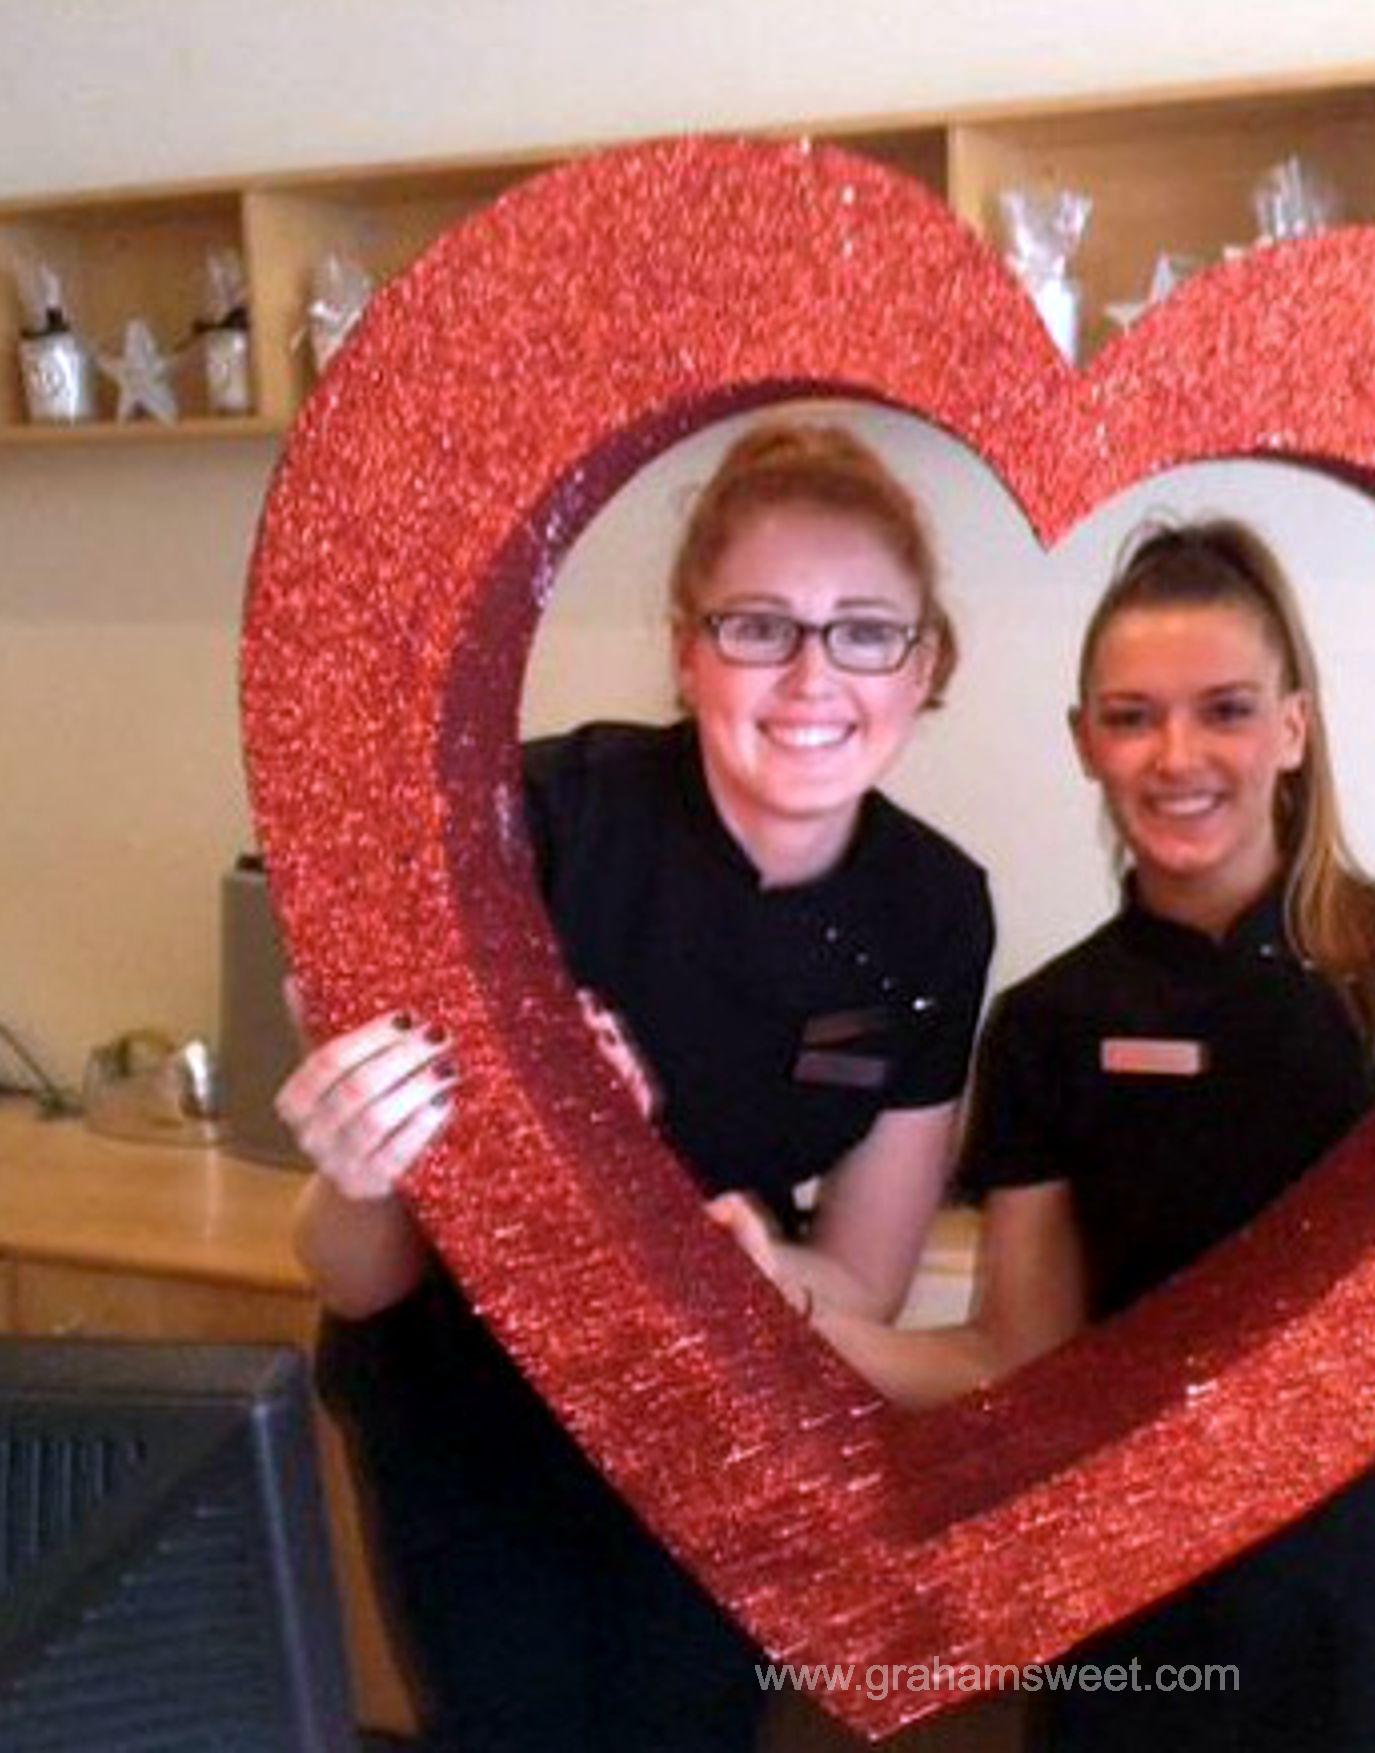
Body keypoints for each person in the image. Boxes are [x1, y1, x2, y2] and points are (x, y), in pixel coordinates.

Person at [279, 422, 994, 1751]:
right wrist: (374, 1152)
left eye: (864, 631)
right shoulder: (545, 817)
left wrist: (749, 1272)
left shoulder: (935, 912)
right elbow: (354, 1270)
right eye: (759, 626)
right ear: (686, 649)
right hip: (468, 1424)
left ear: (926, 663)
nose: (811, 675)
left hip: (713, 1438)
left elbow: (859, 1288)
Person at [806, 519, 1375, 1751]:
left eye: (1225, 709)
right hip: (1156, 1636)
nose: (1177, 754)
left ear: (1293, 729)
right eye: (1133, 715)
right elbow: (1017, 1361)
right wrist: (792, 1320)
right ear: (1084, 742)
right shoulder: (1047, 1024)